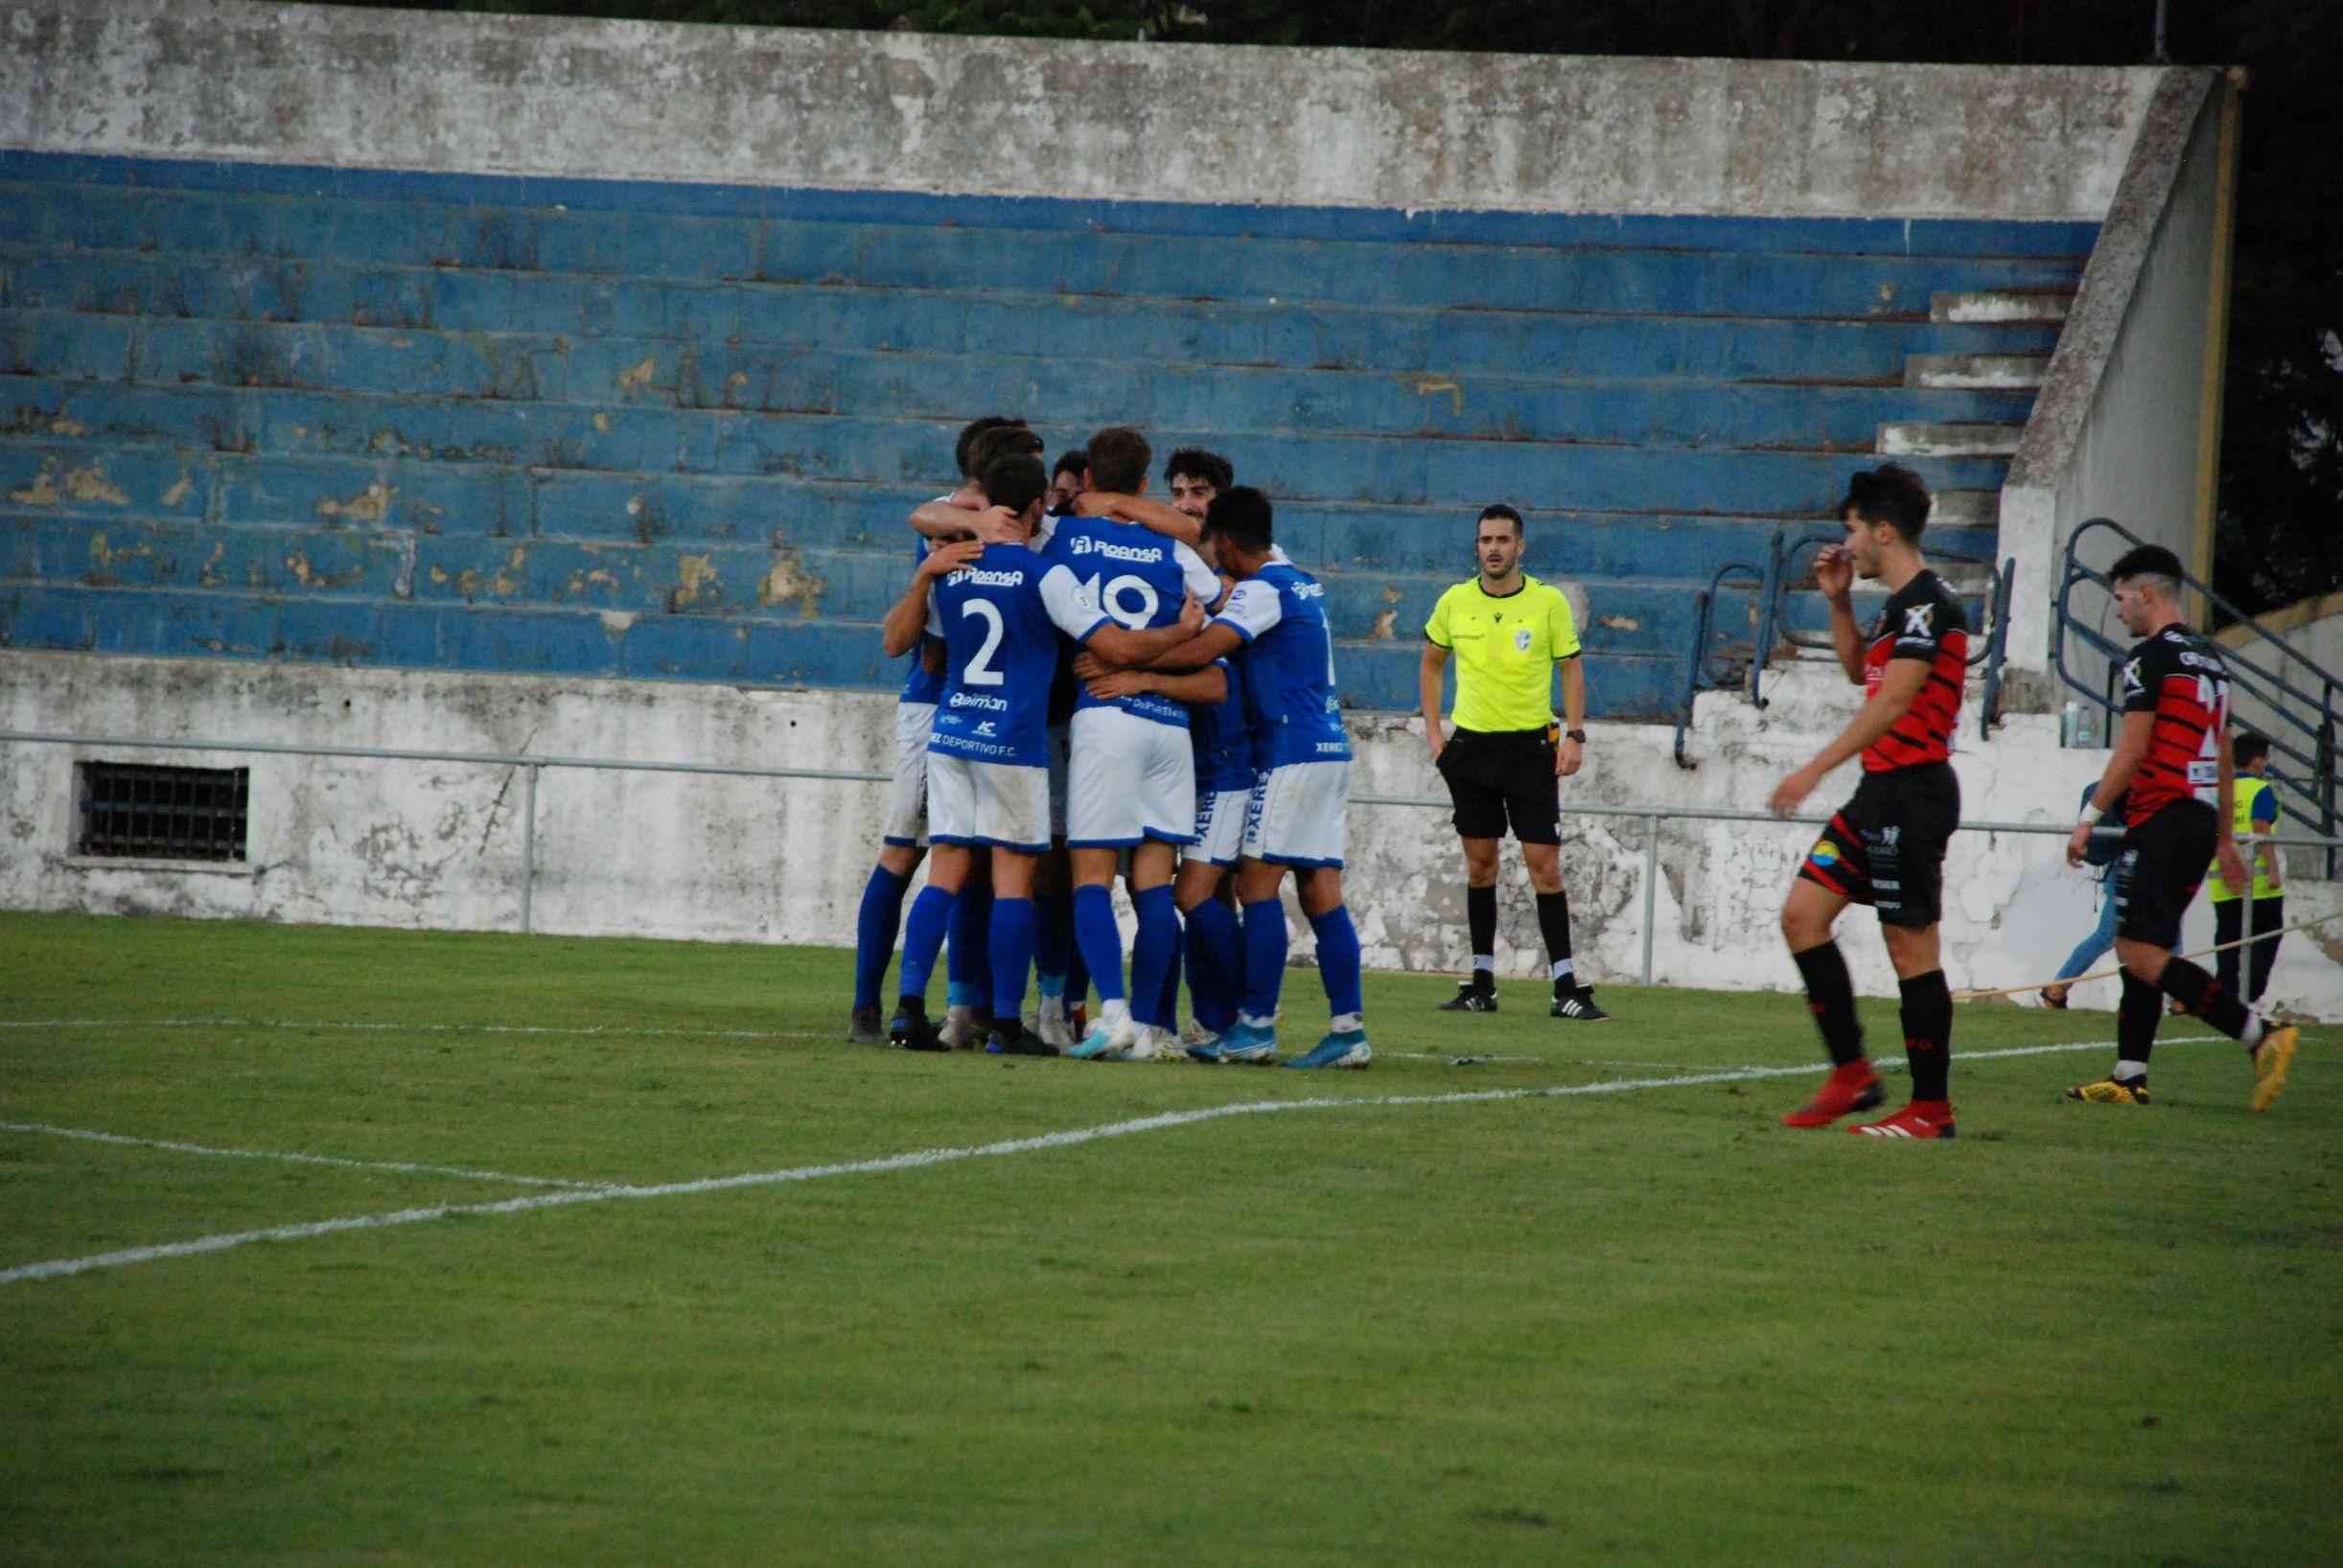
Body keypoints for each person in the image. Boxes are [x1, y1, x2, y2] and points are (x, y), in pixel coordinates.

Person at [876, 453, 1202, 1055]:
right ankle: (1005, 1021)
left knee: (944, 872)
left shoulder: (955, 563)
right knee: (1013, 882)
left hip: (952, 735)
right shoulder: (1044, 573)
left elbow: (907, 647)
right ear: (1033, 508)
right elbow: (1109, 643)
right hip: (1014, 740)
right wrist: (1182, 633)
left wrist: (925, 576)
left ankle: (908, 1010)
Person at [1130, 487, 1371, 1070]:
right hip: (1328, 747)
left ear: (1231, 545)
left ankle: (1256, 1025)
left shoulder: (1264, 588)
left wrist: (1132, 663)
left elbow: (1211, 647)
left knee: (1255, 886)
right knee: (1319, 892)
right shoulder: (1303, 581)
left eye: (1215, 548)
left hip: (1289, 752)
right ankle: (1348, 1030)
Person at [1769, 464, 1968, 1139]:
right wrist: (1837, 600)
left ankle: (1930, 1109)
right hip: (1877, 792)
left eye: (1852, 530)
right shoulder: (1894, 605)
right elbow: (1862, 672)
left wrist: (1813, 768)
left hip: (1913, 791)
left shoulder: (1929, 603)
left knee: (1910, 949)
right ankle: (1852, 1074)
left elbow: (1892, 702)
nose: (1846, 541)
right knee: (1802, 916)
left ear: (1884, 530)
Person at [2061, 546, 2297, 1108]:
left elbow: (2133, 749)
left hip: (2162, 816)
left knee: (2139, 951)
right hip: (2193, 822)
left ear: (2147, 593)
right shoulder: (2210, 659)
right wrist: (2221, 839)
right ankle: (2128, 1076)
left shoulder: (2148, 659)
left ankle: (2260, 1035)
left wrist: (2088, 819)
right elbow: (2220, 758)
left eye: (2120, 598)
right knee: (2143, 947)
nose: (2118, 612)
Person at [847, 415, 1036, 1047]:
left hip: (974, 709)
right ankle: (870, 1007)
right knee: (912, 852)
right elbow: (921, 650)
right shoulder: (959, 522)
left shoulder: (973, 523)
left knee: (972, 863)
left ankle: (964, 1006)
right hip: (939, 709)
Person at [1049, 427, 1227, 1063]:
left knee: (1090, 879)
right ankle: (1153, 1029)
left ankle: (1115, 1015)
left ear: (1089, 480)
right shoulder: (1171, 545)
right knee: (1155, 886)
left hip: (1106, 716)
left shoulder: (1061, 533)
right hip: (1169, 726)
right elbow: (1222, 599)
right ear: (1149, 485)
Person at [1418, 503, 1601, 1020]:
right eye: (1485, 540)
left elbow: (1571, 669)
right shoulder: (1454, 601)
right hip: (1472, 750)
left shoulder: (1547, 603)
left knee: (1545, 867)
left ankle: (1566, 987)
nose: (1493, 548)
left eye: (1502, 540)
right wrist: (1435, 734)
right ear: (1476, 546)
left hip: (1529, 750)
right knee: (1481, 867)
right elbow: (1431, 665)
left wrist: (1575, 735)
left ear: (1520, 546)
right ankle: (1481, 984)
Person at [2035, 781, 2129, 1009]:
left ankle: (2180, 1002)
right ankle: (2057, 988)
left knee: (2166, 935)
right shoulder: (2129, 788)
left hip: (2144, 865)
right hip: (2127, 866)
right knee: (2107, 935)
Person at [2210, 732, 2285, 1005]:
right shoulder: (2261, 790)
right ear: (2257, 760)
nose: (2266, 764)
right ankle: (2249, 995)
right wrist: (2274, 870)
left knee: (2228, 942)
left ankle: (2224, 999)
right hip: (2260, 885)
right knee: (2267, 936)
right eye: (2265, 758)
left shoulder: (2221, 789)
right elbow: (2261, 828)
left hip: (2223, 881)